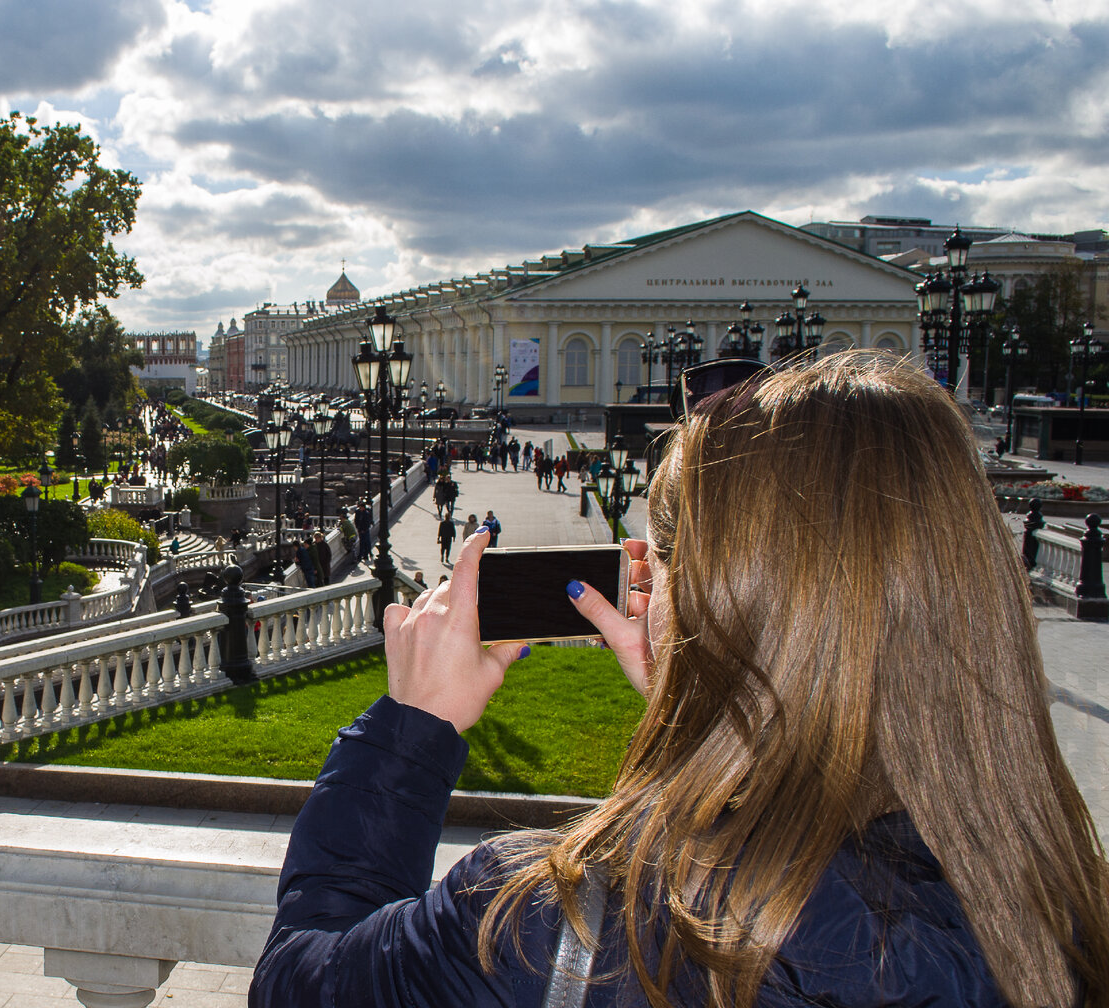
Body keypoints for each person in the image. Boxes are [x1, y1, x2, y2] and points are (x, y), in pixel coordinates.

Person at [251, 352, 1109, 1008]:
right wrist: (714, 703)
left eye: (658, 564)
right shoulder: (1051, 903)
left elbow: (299, 978)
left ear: (700, 598)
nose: (643, 590)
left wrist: (411, 728)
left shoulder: (561, 923)